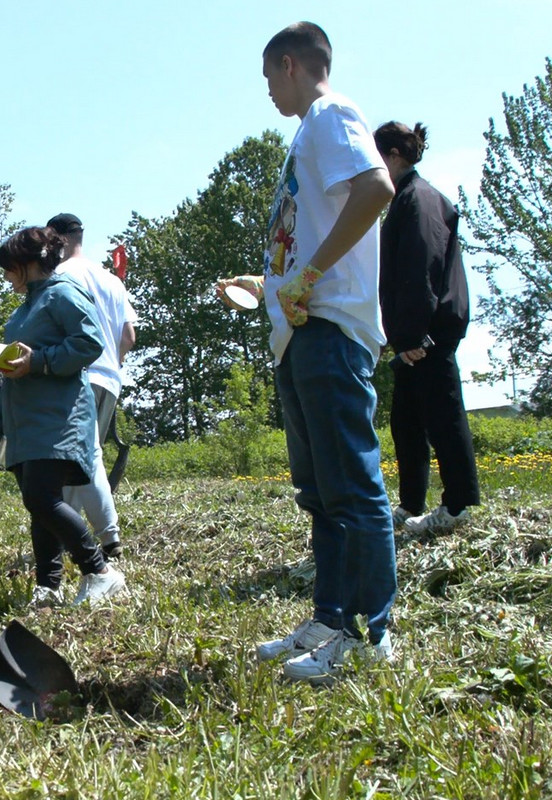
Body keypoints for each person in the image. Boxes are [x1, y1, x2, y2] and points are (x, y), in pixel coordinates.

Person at [218, 22, 397, 682]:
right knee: (320, 495)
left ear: (289, 64)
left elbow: (377, 189)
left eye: (268, 76)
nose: (267, 89)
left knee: (351, 489)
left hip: (328, 331)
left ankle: (370, 635)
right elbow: (303, 247)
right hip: (300, 331)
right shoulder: (307, 136)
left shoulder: (330, 113)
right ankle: (330, 618)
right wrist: (265, 284)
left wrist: (310, 277)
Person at [0, 226, 126, 607]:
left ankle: (100, 571)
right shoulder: (25, 307)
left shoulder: (62, 293)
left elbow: (90, 341)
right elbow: (15, 369)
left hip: (56, 420)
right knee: (38, 502)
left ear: (28, 264)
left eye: (9, 267)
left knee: (43, 498)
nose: (6, 275)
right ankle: (49, 586)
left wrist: (40, 362)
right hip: (25, 422)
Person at [373, 121, 480, 535]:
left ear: (393, 156)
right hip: (413, 336)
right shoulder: (407, 200)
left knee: (443, 418)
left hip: (428, 335)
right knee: (407, 424)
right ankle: (410, 505)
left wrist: (414, 335)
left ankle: (456, 506)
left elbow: (422, 269)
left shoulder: (419, 200)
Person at [46, 213, 139, 558]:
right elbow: (129, 336)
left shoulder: (63, 274)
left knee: (83, 456)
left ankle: (107, 538)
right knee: (79, 458)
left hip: (78, 374)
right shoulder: (112, 280)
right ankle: (68, 536)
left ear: (60, 238)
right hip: (110, 378)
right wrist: (114, 363)